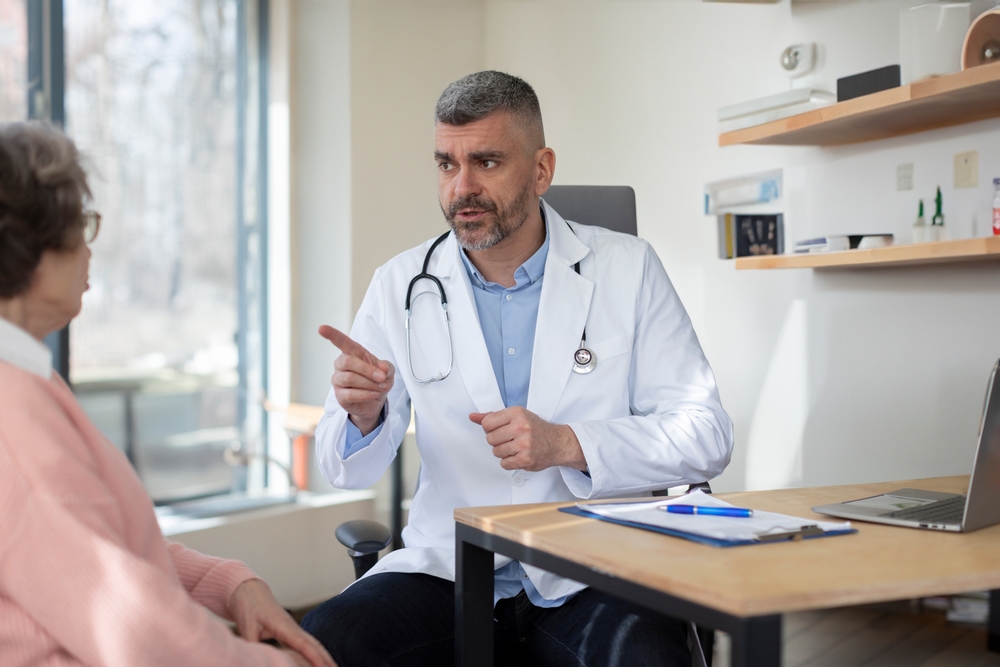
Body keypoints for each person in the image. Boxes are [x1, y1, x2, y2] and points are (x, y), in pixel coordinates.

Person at [303, 71, 734, 666]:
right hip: (449, 567)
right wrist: (363, 415)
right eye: (446, 165)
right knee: (324, 642)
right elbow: (342, 470)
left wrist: (567, 444)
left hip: (592, 569)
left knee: (646, 658)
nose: (462, 188)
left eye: (486, 162)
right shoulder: (400, 284)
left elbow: (705, 433)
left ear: (541, 169)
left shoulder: (627, 269)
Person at [0, 121, 336, 667]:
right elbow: (136, 630)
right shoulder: (13, 420)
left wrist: (229, 582)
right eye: (80, 226)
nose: (90, 252)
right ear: (31, 245)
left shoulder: (28, 377)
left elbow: (97, 544)